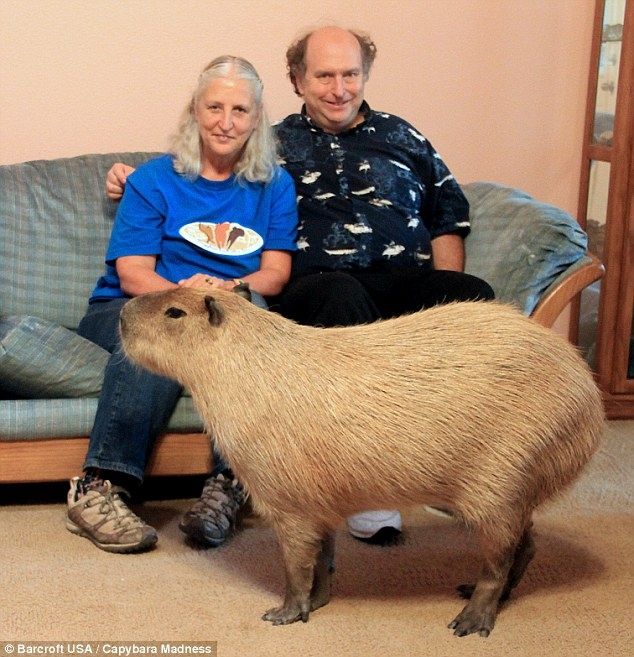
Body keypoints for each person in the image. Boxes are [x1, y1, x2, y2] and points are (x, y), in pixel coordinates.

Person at [106, 26, 495, 547]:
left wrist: (442, 286)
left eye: (350, 74)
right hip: (323, 286)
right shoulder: (273, 145)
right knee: (339, 295)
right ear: (297, 80)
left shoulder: (406, 137)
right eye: (324, 75)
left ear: (365, 76)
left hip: (402, 280)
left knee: (471, 300)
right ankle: (370, 484)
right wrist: (130, 178)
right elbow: (208, 164)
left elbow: (446, 214)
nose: (339, 88)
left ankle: (459, 471)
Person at [67, 55, 298, 553]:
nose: (225, 121)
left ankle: (229, 486)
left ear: (256, 118)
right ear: (195, 110)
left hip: (222, 313)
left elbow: (275, 275)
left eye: (239, 109)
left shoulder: (275, 185)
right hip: (133, 307)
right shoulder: (154, 179)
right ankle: (99, 487)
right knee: (162, 338)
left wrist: (229, 293)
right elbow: (132, 273)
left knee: (247, 345)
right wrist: (186, 296)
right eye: (214, 106)